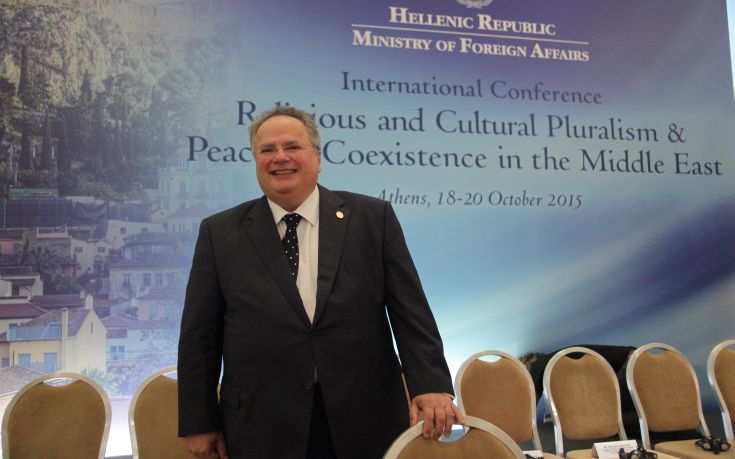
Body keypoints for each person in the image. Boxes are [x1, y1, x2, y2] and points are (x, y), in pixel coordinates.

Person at [178, 105, 462, 459]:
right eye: (267, 150)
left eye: (292, 146)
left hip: (365, 418)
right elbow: (199, 336)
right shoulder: (219, 233)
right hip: (261, 424)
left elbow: (411, 312)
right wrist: (199, 420)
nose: (280, 157)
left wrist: (431, 383)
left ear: (317, 157)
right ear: (255, 160)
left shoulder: (373, 219)